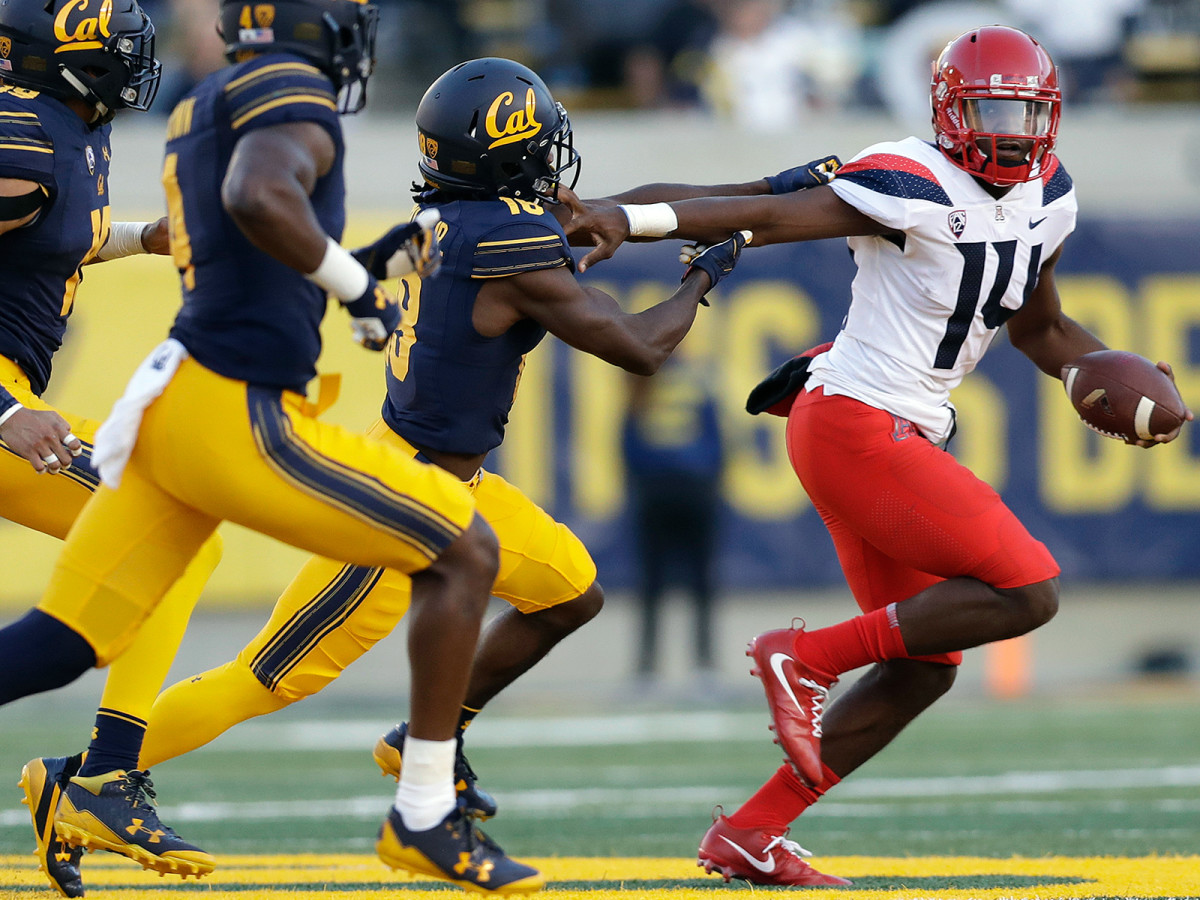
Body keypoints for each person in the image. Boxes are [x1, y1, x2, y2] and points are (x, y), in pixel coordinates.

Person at [566, 24, 1192, 886]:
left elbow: (1041, 329)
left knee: (921, 671)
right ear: (949, 111)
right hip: (853, 423)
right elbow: (758, 208)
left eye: (1022, 109)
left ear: (1049, 113)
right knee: (1028, 589)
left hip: (893, 430)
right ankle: (805, 656)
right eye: (989, 108)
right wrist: (622, 215)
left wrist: (1101, 369)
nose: (1008, 128)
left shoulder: (1051, 193)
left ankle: (750, 833)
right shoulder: (908, 176)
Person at [0, 2, 545, 895]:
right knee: (464, 548)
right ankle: (422, 814)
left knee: (60, 643)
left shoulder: (201, 104)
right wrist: (361, 284)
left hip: (183, 395)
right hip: (225, 405)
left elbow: (247, 239)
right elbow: (261, 199)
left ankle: (102, 775)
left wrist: (368, 263)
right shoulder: (287, 93)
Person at [0, 0, 226, 895]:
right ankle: (102, 776)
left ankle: (101, 775)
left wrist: (142, 238)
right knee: (169, 525)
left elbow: (52, 237)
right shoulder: (18, 135)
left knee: (175, 533)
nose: (136, 63)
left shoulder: (61, 127)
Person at [621, 349, 725, 680]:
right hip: (690, 490)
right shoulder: (696, 381)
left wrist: (642, 477)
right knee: (697, 580)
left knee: (656, 581)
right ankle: (700, 663)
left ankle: (651, 665)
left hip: (659, 491)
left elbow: (627, 438)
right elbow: (716, 439)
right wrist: (704, 475)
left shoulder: (641, 381)